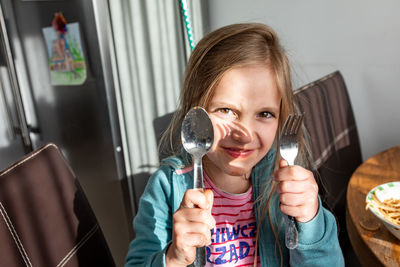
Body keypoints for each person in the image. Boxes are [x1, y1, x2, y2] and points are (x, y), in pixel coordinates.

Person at [125, 23, 344, 267]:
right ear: (194, 109)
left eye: (264, 114)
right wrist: (173, 258)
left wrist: (311, 221)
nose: (245, 135)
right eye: (226, 110)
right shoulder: (167, 187)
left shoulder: (284, 181)